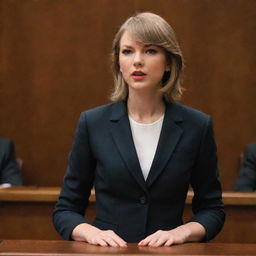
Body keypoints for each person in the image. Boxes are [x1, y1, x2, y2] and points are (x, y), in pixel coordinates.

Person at [53, 12, 225, 247]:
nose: (137, 61)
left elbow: (212, 210)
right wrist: (90, 232)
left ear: (168, 63)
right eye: (128, 51)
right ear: (118, 62)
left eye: (150, 51)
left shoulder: (197, 126)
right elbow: (65, 209)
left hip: (167, 253)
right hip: (108, 252)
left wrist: (181, 233)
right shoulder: (93, 123)